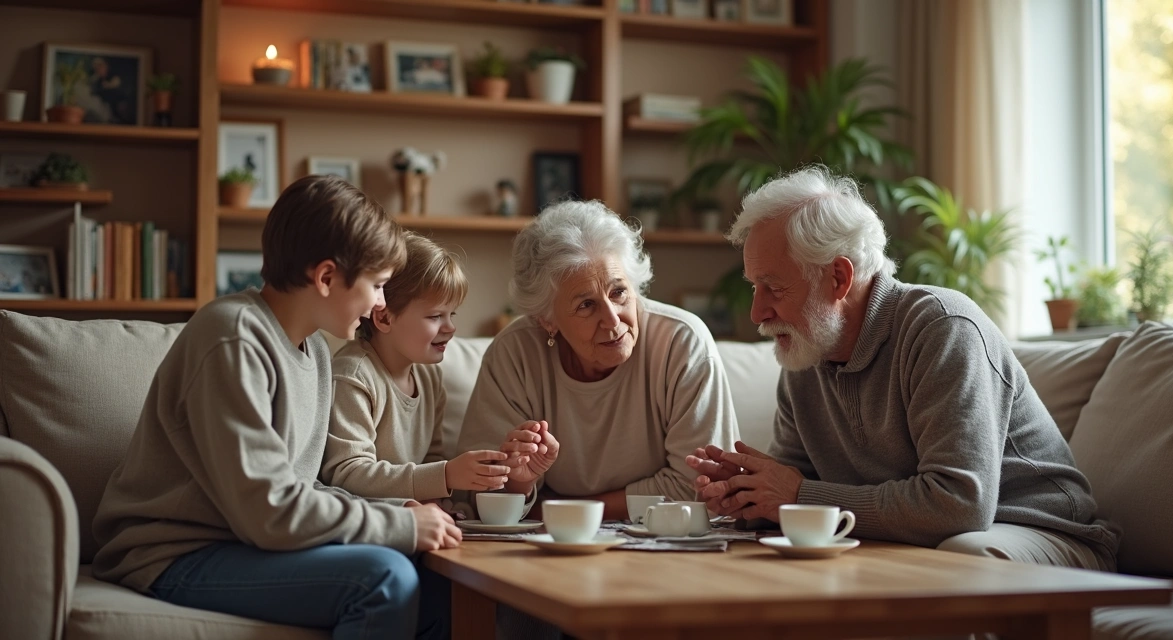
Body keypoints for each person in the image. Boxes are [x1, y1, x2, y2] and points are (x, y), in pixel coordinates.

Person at [686, 165, 1119, 571]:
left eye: (773, 288)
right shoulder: (806, 350)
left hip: (1038, 532)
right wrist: (746, 498)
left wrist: (797, 495)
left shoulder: (943, 328)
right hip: (918, 539)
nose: (757, 312)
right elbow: (795, 494)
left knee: (962, 555)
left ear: (838, 277)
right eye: (754, 287)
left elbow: (958, 505)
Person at [92, 175, 459, 639]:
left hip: (243, 542)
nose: (379, 304)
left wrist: (394, 506)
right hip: (175, 553)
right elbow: (269, 511)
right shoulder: (232, 338)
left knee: (442, 582)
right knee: (386, 579)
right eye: (378, 285)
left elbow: (300, 488)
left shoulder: (315, 352)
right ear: (326, 277)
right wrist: (397, 524)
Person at [458, 199, 740, 522]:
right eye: (586, 305)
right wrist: (521, 483)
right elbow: (477, 491)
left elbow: (700, 488)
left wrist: (559, 510)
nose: (612, 319)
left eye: (618, 292)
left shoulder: (683, 343)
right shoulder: (514, 355)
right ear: (546, 320)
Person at [323, 233, 523, 503]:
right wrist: (445, 476)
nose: (450, 327)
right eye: (435, 316)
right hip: (365, 520)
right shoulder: (353, 375)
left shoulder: (429, 377)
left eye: (452, 314)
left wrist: (441, 503)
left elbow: (432, 458)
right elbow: (348, 473)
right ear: (384, 317)